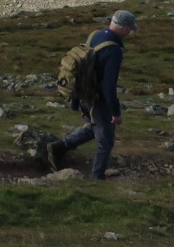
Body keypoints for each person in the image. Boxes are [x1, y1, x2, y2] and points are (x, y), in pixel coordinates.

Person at [58, 10, 136, 180]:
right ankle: (97, 176)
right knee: (106, 140)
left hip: (84, 94)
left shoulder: (96, 35)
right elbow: (109, 87)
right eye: (130, 29)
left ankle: (59, 148)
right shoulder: (114, 50)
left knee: (93, 128)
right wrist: (115, 113)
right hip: (97, 98)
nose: (130, 33)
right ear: (123, 28)